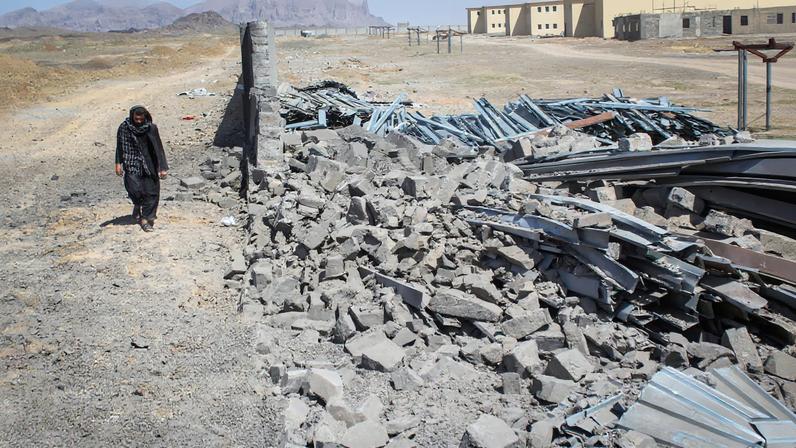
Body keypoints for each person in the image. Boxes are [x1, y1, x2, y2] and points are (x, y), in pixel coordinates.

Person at [115, 105, 168, 232]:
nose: (138, 122)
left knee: (152, 192)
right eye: (136, 119)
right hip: (131, 163)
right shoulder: (124, 128)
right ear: (132, 116)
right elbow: (119, 146)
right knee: (134, 189)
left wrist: (162, 167)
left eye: (141, 119)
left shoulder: (151, 128)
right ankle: (137, 204)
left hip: (149, 164)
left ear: (145, 117)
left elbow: (158, 148)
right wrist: (118, 163)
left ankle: (146, 219)